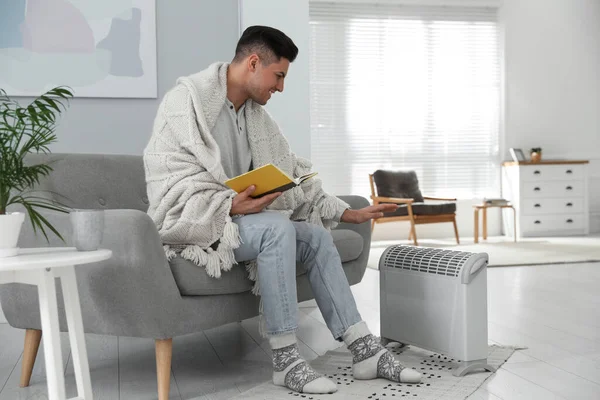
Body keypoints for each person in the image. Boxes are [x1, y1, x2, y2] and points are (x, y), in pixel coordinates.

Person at [143, 25, 421, 395]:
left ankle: (363, 348)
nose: (280, 87)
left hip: (247, 223)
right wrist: (227, 203)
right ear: (253, 63)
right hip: (201, 225)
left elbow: (292, 172)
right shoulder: (186, 103)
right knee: (277, 228)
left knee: (316, 237)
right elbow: (169, 177)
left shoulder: (257, 117)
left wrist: (346, 213)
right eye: (278, 76)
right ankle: (286, 361)